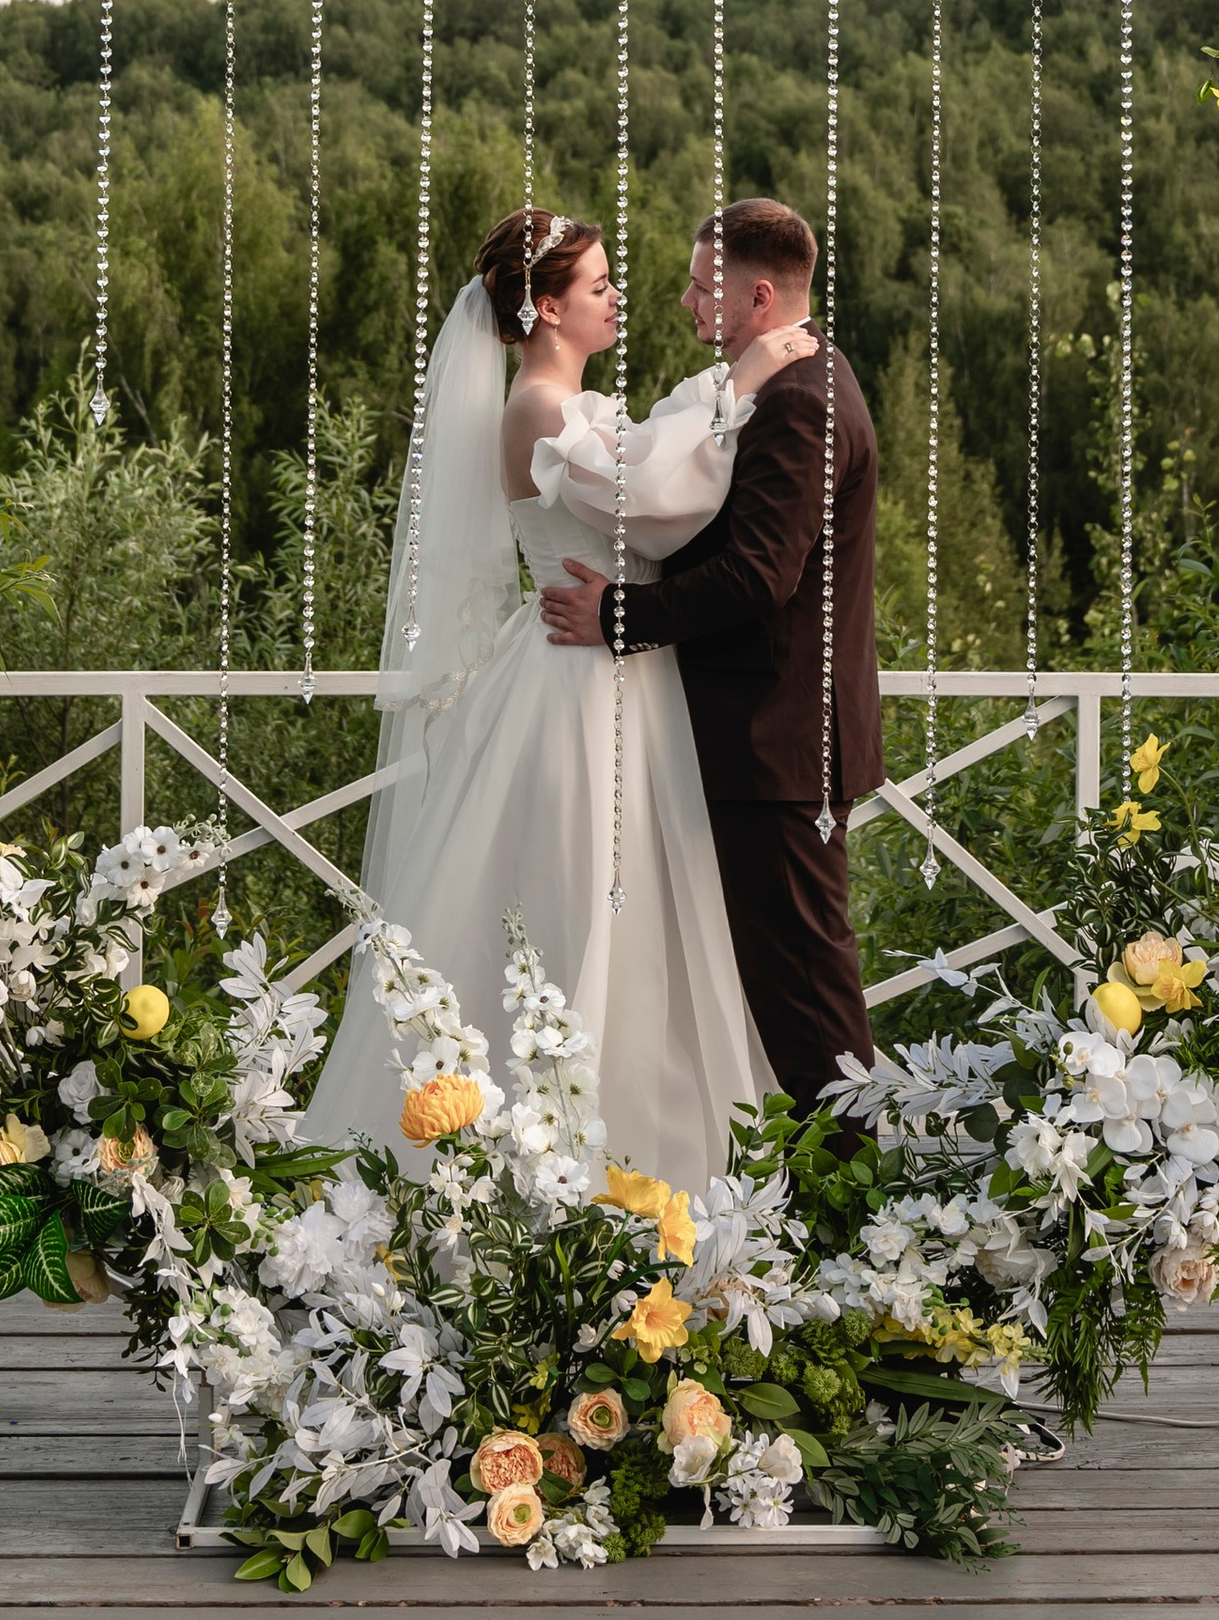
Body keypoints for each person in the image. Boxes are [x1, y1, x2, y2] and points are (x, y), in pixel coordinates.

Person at [302, 206, 810, 1190]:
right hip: (575, 691)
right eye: (599, 285)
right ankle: (547, 1169)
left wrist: (723, 393)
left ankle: (645, 1170)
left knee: (647, 925)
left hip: (623, 676)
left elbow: (656, 475)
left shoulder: (579, 406)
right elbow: (653, 504)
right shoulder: (536, 409)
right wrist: (741, 381)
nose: (619, 297)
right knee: (575, 901)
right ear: (545, 307)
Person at [541, 196, 884, 1121]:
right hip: (762, 738)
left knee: (807, 1000)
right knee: (782, 991)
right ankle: (822, 1184)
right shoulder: (790, 381)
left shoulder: (801, 401)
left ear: (758, 297)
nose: (688, 305)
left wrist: (617, 613)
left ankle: (854, 1190)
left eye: (702, 289)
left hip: (778, 742)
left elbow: (757, 577)